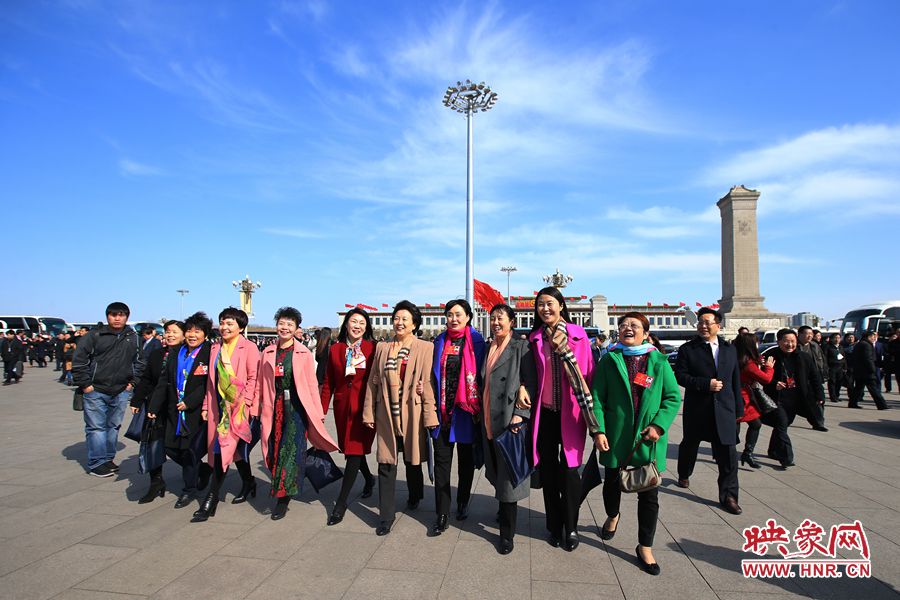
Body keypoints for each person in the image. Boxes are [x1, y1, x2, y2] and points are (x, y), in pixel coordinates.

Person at [591, 312, 681, 576]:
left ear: (646, 333)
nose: (627, 328)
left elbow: (672, 398)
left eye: (634, 325)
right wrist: (598, 430)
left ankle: (645, 546)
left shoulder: (658, 361)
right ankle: (613, 515)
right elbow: (597, 398)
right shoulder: (609, 360)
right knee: (612, 484)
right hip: (615, 437)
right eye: (623, 325)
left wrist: (658, 426)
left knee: (649, 494)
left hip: (647, 438)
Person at [526, 287, 598, 551]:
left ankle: (572, 526)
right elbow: (529, 374)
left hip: (572, 414)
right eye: (540, 304)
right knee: (548, 472)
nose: (545, 309)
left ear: (561, 306)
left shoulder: (579, 336)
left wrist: (594, 415)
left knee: (569, 472)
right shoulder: (534, 338)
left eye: (550, 303)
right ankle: (553, 525)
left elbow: (589, 373)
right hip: (544, 414)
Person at [362, 300, 439, 536]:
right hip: (386, 411)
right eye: (396, 318)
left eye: (405, 319)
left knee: (411, 460)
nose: (399, 322)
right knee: (386, 462)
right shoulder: (383, 347)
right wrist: (368, 412)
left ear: (414, 324)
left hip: (412, 412)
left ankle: (415, 494)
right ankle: (386, 516)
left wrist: (430, 416)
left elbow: (427, 383)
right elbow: (373, 382)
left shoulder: (425, 347)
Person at [259, 307, 339, 520]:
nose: (285, 328)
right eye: (282, 323)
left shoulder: (303, 353)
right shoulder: (267, 352)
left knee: (290, 450)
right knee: (275, 448)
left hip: (296, 408)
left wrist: (318, 411)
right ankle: (282, 484)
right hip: (274, 406)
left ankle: (283, 498)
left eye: (290, 324)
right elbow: (261, 382)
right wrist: (257, 406)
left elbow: (312, 384)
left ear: (296, 328)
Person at [674, 307, 744, 515]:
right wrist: (705, 384)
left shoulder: (729, 349)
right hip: (698, 408)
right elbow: (680, 376)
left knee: (728, 455)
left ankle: (729, 496)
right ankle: (684, 473)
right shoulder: (688, 349)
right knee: (690, 445)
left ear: (718, 326)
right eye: (700, 322)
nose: (703, 326)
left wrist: (738, 409)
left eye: (707, 322)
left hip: (725, 409)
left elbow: (735, 379)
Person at [480, 304, 536, 554]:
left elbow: (530, 382)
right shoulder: (488, 347)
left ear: (512, 321)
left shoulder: (521, 346)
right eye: (492, 318)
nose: (495, 323)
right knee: (496, 471)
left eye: (500, 318)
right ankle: (502, 511)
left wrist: (520, 416)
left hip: (509, 421)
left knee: (508, 480)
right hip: (488, 418)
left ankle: (507, 534)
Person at [195, 307, 260, 523]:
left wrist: (247, 402)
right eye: (222, 322)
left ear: (241, 327)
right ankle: (249, 481)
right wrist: (206, 405)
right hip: (218, 408)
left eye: (230, 323)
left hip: (238, 409)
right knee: (234, 451)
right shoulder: (215, 348)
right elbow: (210, 382)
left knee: (221, 450)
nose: (224, 327)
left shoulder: (249, 347)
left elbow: (254, 378)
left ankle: (211, 499)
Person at [429, 299, 486, 535]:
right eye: (450, 314)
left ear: (468, 317)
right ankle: (442, 513)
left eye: (458, 314)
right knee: (442, 464)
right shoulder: (439, 341)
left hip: (466, 414)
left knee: (465, 463)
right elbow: (431, 373)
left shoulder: (477, 342)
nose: (453, 318)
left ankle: (462, 501)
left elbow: (483, 375)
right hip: (443, 413)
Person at [72, 302, 146, 477]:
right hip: (96, 389)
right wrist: (86, 385)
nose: (117, 318)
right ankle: (97, 462)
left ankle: (107, 458)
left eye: (121, 315)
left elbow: (140, 362)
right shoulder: (94, 335)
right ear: (107, 316)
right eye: (113, 315)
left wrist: (132, 383)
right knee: (96, 427)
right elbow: (79, 360)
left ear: (127, 317)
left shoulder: (134, 338)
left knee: (113, 426)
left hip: (121, 390)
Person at [149, 313, 213, 509]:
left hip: (195, 412)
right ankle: (201, 469)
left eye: (197, 331)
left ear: (205, 335)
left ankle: (189, 489)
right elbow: (164, 381)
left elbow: (208, 383)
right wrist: (154, 406)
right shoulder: (177, 352)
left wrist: (190, 402)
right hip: (173, 409)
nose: (192, 335)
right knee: (169, 447)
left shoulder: (209, 353)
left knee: (189, 452)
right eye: (190, 331)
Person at [321, 308, 378, 526]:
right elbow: (329, 382)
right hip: (342, 407)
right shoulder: (336, 349)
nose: (357, 326)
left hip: (364, 409)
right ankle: (369, 479)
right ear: (346, 324)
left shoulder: (372, 348)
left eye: (362, 323)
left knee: (354, 451)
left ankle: (341, 502)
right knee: (351, 449)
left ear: (367, 327)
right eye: (354, 321)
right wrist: (321, 410)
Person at [130, 319, 186, 503]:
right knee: (152, 442)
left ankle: (198, 469)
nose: (170, 335)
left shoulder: (187, 355)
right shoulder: (157, 354)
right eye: (168, 331)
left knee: (174, 445)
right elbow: (146, 379)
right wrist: (137, 400)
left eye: (175, 332)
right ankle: (156, 482)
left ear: (184, 335)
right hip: (154, 405)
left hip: (176, 406)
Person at [734, 333, 794, 469]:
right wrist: (769, 367)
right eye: (756, 343)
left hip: (743, 396)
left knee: (754, 424)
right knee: (740, 426)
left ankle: (747, 453)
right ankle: (736, 452)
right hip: (743, 398)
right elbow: (766, 379)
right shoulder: (748, 363)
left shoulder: (739, 359)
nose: (758, 345)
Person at [763, 329, 828, 436]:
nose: (790, 345)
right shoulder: (770, 356)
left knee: (784, 424)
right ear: (778, 341)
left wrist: (820, 394)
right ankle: (785, 449)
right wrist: (774, 383)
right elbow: (761, 377)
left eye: (793, 341)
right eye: (786, 341)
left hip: (797, 396)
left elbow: (814, 377)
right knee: (782, 423)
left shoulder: (803, 357)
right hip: (777, 397)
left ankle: (775, 448)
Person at [849, 331, 889, 410]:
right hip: (866, 371)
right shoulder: (866, 345)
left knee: (858, 388)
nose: (874, 338)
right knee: (873, 388)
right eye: (873, 337)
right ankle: (882, 405)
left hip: (859, 370)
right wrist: (872, 369)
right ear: (868, 337)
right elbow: (868, 359)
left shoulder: (859, 344)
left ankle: (852, 403)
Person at [824, 333, 850, 403]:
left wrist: (845, 367)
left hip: (840, 367)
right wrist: (826, 367)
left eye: (838, 338)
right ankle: (833, 396)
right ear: (831, 339)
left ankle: (837, 395)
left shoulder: (840, 347)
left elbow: (843, 357)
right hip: (832, 367)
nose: (837, 339)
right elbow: (825, 357)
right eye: (835, 338)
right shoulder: (828, 347)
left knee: (839, 382)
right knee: (832, 382)